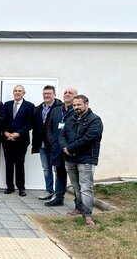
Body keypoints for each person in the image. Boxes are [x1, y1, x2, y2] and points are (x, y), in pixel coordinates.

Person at [59, 94, 103, 227]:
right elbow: (61, 135)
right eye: (74, 105)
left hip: (86, 159)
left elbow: (89, 138)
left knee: (86, 187)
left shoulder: (95, 120)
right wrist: (65, 148)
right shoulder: (71, 119)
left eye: (79, 105)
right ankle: (78, 208)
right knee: (76, 186)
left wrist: (70, 148)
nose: (76, 107)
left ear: (86, 104)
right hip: (70, 159)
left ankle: (87, 215)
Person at [45, 87, 77, 207]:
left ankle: (79, 202)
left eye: (70, 93)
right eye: (65, 93)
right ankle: (59, 198)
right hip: (57, 148)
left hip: (71, 150)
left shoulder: (77, 110)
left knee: (75, 176)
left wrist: (70, 146)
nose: (67, 94)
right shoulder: (56, 110)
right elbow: (49, 127)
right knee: (60, 174)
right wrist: (52, 140)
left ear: (75, 96)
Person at [2, 85, 35, 197]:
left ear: (23, 93)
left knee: (19, 163)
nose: (17, 92)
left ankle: (21, 188)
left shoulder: (29, 106)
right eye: (15, 91)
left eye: (19, 91)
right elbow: (3, 120)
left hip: (21, 140)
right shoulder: (6, 105)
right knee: (9, 163)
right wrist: (6, 132)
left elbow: (30, 123)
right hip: (7, 139)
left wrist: (18, 133)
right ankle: (10, 187)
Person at [31, 85, 62, 200]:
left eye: (49, 93)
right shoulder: (39, 109)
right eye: (44, 93)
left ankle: (58, 194)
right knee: (46, 169)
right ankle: (49, 191)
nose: (46, 95)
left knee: (57, 169)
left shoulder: (60, 108)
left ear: (54, 94)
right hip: (42, 145)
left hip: (55, 145)